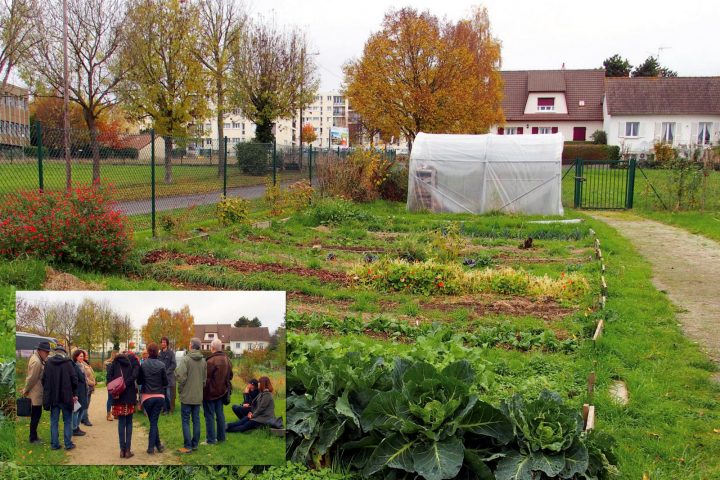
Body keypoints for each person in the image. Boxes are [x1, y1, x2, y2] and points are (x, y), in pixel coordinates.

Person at [41, 344, 78, 450]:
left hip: (54, 397)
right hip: (66, 397)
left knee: (54, 421)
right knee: (67, 421)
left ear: (55, 352)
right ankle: (68, 444)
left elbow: (43, 379)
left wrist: (50, 390)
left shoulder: (48, 363)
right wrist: (74, 393)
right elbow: (74, 380)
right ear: (64, 353)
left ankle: (54, 444)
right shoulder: (68, 363)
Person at [175, 337, 206, 454]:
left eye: (189, 344)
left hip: (187, 396)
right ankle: (195, 444)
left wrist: (181, 390)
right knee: (196, 420)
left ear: (192, 346)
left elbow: (180, 377)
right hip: (198, 395)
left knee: (186, 420)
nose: (188, 345)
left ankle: (188, 446)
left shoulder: (186, 359)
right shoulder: (203, 361)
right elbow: (204, 380)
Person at [138, 342, 168, 454]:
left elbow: (139, 381)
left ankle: (154, 447)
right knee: (153, 422)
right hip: (159, 396)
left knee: (153, 422)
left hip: (147, 397)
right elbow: (165, 382)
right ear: (157, 351)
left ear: (148, 351)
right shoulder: (162, 365)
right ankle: (156, 446)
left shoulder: (143, 365)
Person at [110, 350, 139, 459]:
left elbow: (109, 377)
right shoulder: (133, 361)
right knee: (129, 422)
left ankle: (121, 450)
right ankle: (128, 450)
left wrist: (118, 386)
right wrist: (126, 384)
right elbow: (136, 375)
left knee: (121, 422)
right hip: (130, 395)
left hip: (118, 395)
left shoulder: (115, 362)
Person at [203, 338, 232, 445]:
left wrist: (203, 393)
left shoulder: (210, 361)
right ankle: (222, 437)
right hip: (222, 392)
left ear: (213, 348)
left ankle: (211, 440)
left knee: (209, 415)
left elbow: (206, 379)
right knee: (220, 414)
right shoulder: (227, 360)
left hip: (210, 393)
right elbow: (231, 375)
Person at [22, 341, 51, 444]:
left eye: (48, 352)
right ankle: (33, 438)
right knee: (36, 416)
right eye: (46, 352)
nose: (47, 354)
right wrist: (26, 390)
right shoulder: (37, 362)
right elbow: (32, 379)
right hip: (35, 394)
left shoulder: (37, 358)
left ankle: (34, 436)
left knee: (36, 415)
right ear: (40, 350)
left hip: (35, 393)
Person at [71, 350, 89, 437]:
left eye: (83, 356)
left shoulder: (82, 365)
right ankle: (74, 428)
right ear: (76, 357)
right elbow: (75, 380)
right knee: (77, 410)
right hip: (78, 391)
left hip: (83, 390)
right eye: (80, 356)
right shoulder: (74, 366)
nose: (82, 358)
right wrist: (75, 394)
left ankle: (77, 426)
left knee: (82, 409)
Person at [158, 337, 177, 414]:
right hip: (161, 378)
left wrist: (166, 372)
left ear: (167, 344)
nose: (163, 343)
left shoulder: (171, 353)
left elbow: (174, 364)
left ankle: (170, 410)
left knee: (169, 395)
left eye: (164, 342)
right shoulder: (159, 354)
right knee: (163, 395)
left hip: (169, 378)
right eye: (162, 342)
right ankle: (165, 410)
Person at [81, 350, 96, 427]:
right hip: (87, 386)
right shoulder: (81, 364)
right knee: (85, 403)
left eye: (87, 355)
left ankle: (83, 418)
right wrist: (92, 383)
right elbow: (85, 378)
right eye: (85, 355)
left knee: (87, 403)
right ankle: (85, 419)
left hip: (90, 387)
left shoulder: (86, 363)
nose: (87, 356)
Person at [104, 351, 118, 422]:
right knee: (110, 399)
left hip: (116, 383)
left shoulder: (117, 364)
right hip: (112, 384)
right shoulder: (110, 365)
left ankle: (115, 413)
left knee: (116, 398)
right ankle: (108, 414)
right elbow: (109, 376)